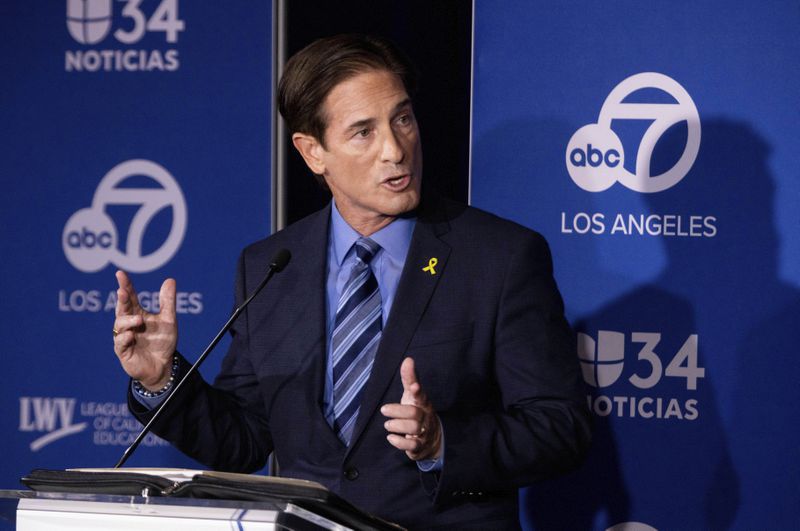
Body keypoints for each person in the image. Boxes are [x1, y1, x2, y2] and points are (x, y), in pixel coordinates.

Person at [112, 34, 591, 530]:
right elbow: (244, 440)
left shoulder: (500, 258)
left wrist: (444, 442)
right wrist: (159, 380)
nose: (395, 149)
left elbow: (561, 427)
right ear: (313, 152)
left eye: (402, 119)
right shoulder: (270, 265)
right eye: (363, 132)